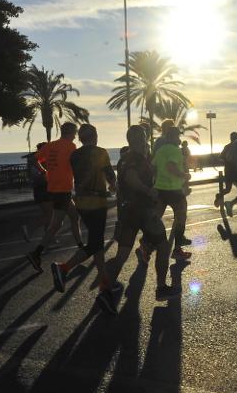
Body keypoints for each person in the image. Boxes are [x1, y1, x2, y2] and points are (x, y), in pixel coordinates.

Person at [102, 125, 177, 308]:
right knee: (163, 246)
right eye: (143, 136)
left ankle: (105, 292)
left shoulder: (124, 159)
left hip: (127, 212)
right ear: (138, 139)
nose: (144, 139)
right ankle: (161, 288)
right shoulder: (134, 159)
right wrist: (148, 191)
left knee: (122, 253)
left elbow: (124, 180)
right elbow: (130, 178)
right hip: (143, 211)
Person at [49, 124, 117, 298]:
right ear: (95, 136)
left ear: (80, 138)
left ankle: (104, 282)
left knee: (97, 242)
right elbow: (110, 175)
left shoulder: (75, 155)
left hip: (81, 203)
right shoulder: (101, 152)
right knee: (95, 243)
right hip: (97, 203)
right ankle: (63, 268)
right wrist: (114, 188)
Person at [24, 123, 83, 276]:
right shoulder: (71, 146)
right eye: (75, 133)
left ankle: (81, 247)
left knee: (75, 216)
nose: (75, 136)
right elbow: (76, 166)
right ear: (71, 133)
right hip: (63, 189)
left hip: (55, 189)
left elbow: (33, 160)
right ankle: (36, 253)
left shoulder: (50, 146)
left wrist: (45, 172)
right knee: (55, 225)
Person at [143, 126, 192, 261]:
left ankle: (144, 246)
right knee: (180, 217)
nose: (179, 139)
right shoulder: (176, 151)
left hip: (160, 190)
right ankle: (177, 248)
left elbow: (153, 168)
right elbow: (171, 167)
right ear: (173, 137)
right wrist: (185, 176)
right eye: (177, 136)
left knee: (155, 219)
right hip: (174, 191)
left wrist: (154, 183)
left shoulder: (160, 151)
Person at [27, 143, 54, 236]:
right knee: (50, 215)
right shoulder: (38, 162)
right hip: (43, 190)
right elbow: (38, 178)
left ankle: (49, 237)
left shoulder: (39, 161)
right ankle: (30, 228)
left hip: (42, 190)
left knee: (49, 214)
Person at [214, 131, 237, 208]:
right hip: (236, 171)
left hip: (228, 171)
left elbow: (220, 158)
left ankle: (219, 195)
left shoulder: (227, 146)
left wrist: (226, 161)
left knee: (228, 189)